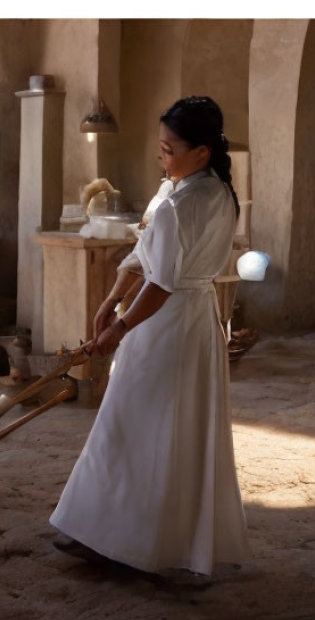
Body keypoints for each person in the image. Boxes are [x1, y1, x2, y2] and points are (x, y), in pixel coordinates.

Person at [49, 96, 249, 576]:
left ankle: (115, 539)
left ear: (201, 152)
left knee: (128, 423)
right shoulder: (213, 193)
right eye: (159, 149)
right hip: (198, 321)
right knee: (171, 428)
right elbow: (146, 256)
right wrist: (108, 300)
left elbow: (161, 281)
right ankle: (135, 537)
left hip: (164, 324)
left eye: (169, 150)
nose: (162, 159)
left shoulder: (180, 203)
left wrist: (118, 327)